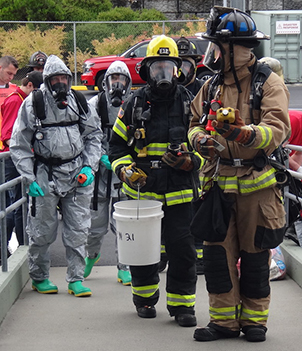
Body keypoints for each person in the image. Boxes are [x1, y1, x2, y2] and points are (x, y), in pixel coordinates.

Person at [188, 6, 290, 342]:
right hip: (217, 186)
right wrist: (200, 138)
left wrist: (242, 134)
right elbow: (192, 125)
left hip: (257, 191)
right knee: (218, 258)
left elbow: (277, 129)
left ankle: (254, 322)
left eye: (216, 47)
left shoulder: (267, 83)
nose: (212, 54)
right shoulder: (212, 86)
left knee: (256, 257)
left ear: (232, 49)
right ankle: (224, 323)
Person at [109, 35, 203, 327]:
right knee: (143, 252)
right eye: (157, 68)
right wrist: (125, 170)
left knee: (183, 251)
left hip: (181, 193)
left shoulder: (191, 103)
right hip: (143, 193)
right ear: (146, 70)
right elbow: (116, 146)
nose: (163, 74)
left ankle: (182, 307)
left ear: (178, 70)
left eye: (168, 67)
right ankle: (145, 300)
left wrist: (192, 161)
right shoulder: (134, 103)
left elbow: (205, 147)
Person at [9, 55, 103, 297]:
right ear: (48, 81)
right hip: (45, 175)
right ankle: (39, 277)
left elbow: (94, 136)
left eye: (64, 78)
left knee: (79, 229)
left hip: (76, 175)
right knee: (41, 231)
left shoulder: (79, 101)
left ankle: (76, 279)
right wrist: (29, 178)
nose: (61, 83)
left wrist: (88, 168)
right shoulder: (34, 103)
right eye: (56, 79)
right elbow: (18, 144)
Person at [158, 36, 205, 275]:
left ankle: (198, 258)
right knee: (167, 225)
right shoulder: (149, 99)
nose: (183, 70)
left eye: (188, 64)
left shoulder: (200, 94)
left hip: (191, 178)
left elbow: (208, 140)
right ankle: (163, 256)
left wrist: (194, 161)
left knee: (194, 218)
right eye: (181, 64)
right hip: (161, 181)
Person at [84, 60, 132, 285]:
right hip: (100, 172)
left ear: (128, 82)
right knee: (95, 223)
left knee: (124, 224)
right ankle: (92, 255)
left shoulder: (132, 103)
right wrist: (99, 158)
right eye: (114, 79)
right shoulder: (95, 104)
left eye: (122, 80)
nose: (118, 84)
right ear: (106, 82)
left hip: (123, 171)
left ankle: (124, 266)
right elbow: (86, 135)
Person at [1, 71, 43, 249]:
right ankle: (17, 246)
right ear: (31, 86)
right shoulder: (15, 100)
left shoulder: (21, 99)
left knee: (19, 205)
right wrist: (26, 151)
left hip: (19, 158)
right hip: (13, 160)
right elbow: (8, 135)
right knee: (16, 206)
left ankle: (14, 245)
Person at [0, 56, 18, 151]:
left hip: (7, 143)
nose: (11, 77)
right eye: (9, 73)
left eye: (13, 75)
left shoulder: (14, 90)